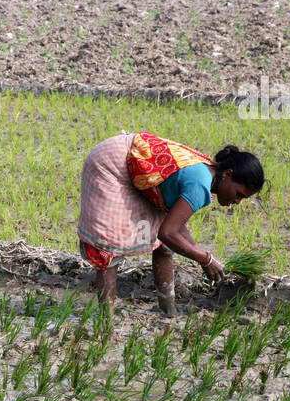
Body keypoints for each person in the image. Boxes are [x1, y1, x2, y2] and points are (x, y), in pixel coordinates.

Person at [77, 131, 264, 315]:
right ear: (227, 174)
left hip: (139, 172)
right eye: (239, 194)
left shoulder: (210, 175)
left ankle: (168, 309)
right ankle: (106, 320)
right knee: (110, 246)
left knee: (165, 247)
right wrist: (205, 258)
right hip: (112, 164)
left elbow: (176, 229)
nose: (237, 201)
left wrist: (200, 254)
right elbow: (167, 232)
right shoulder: (200, 185)